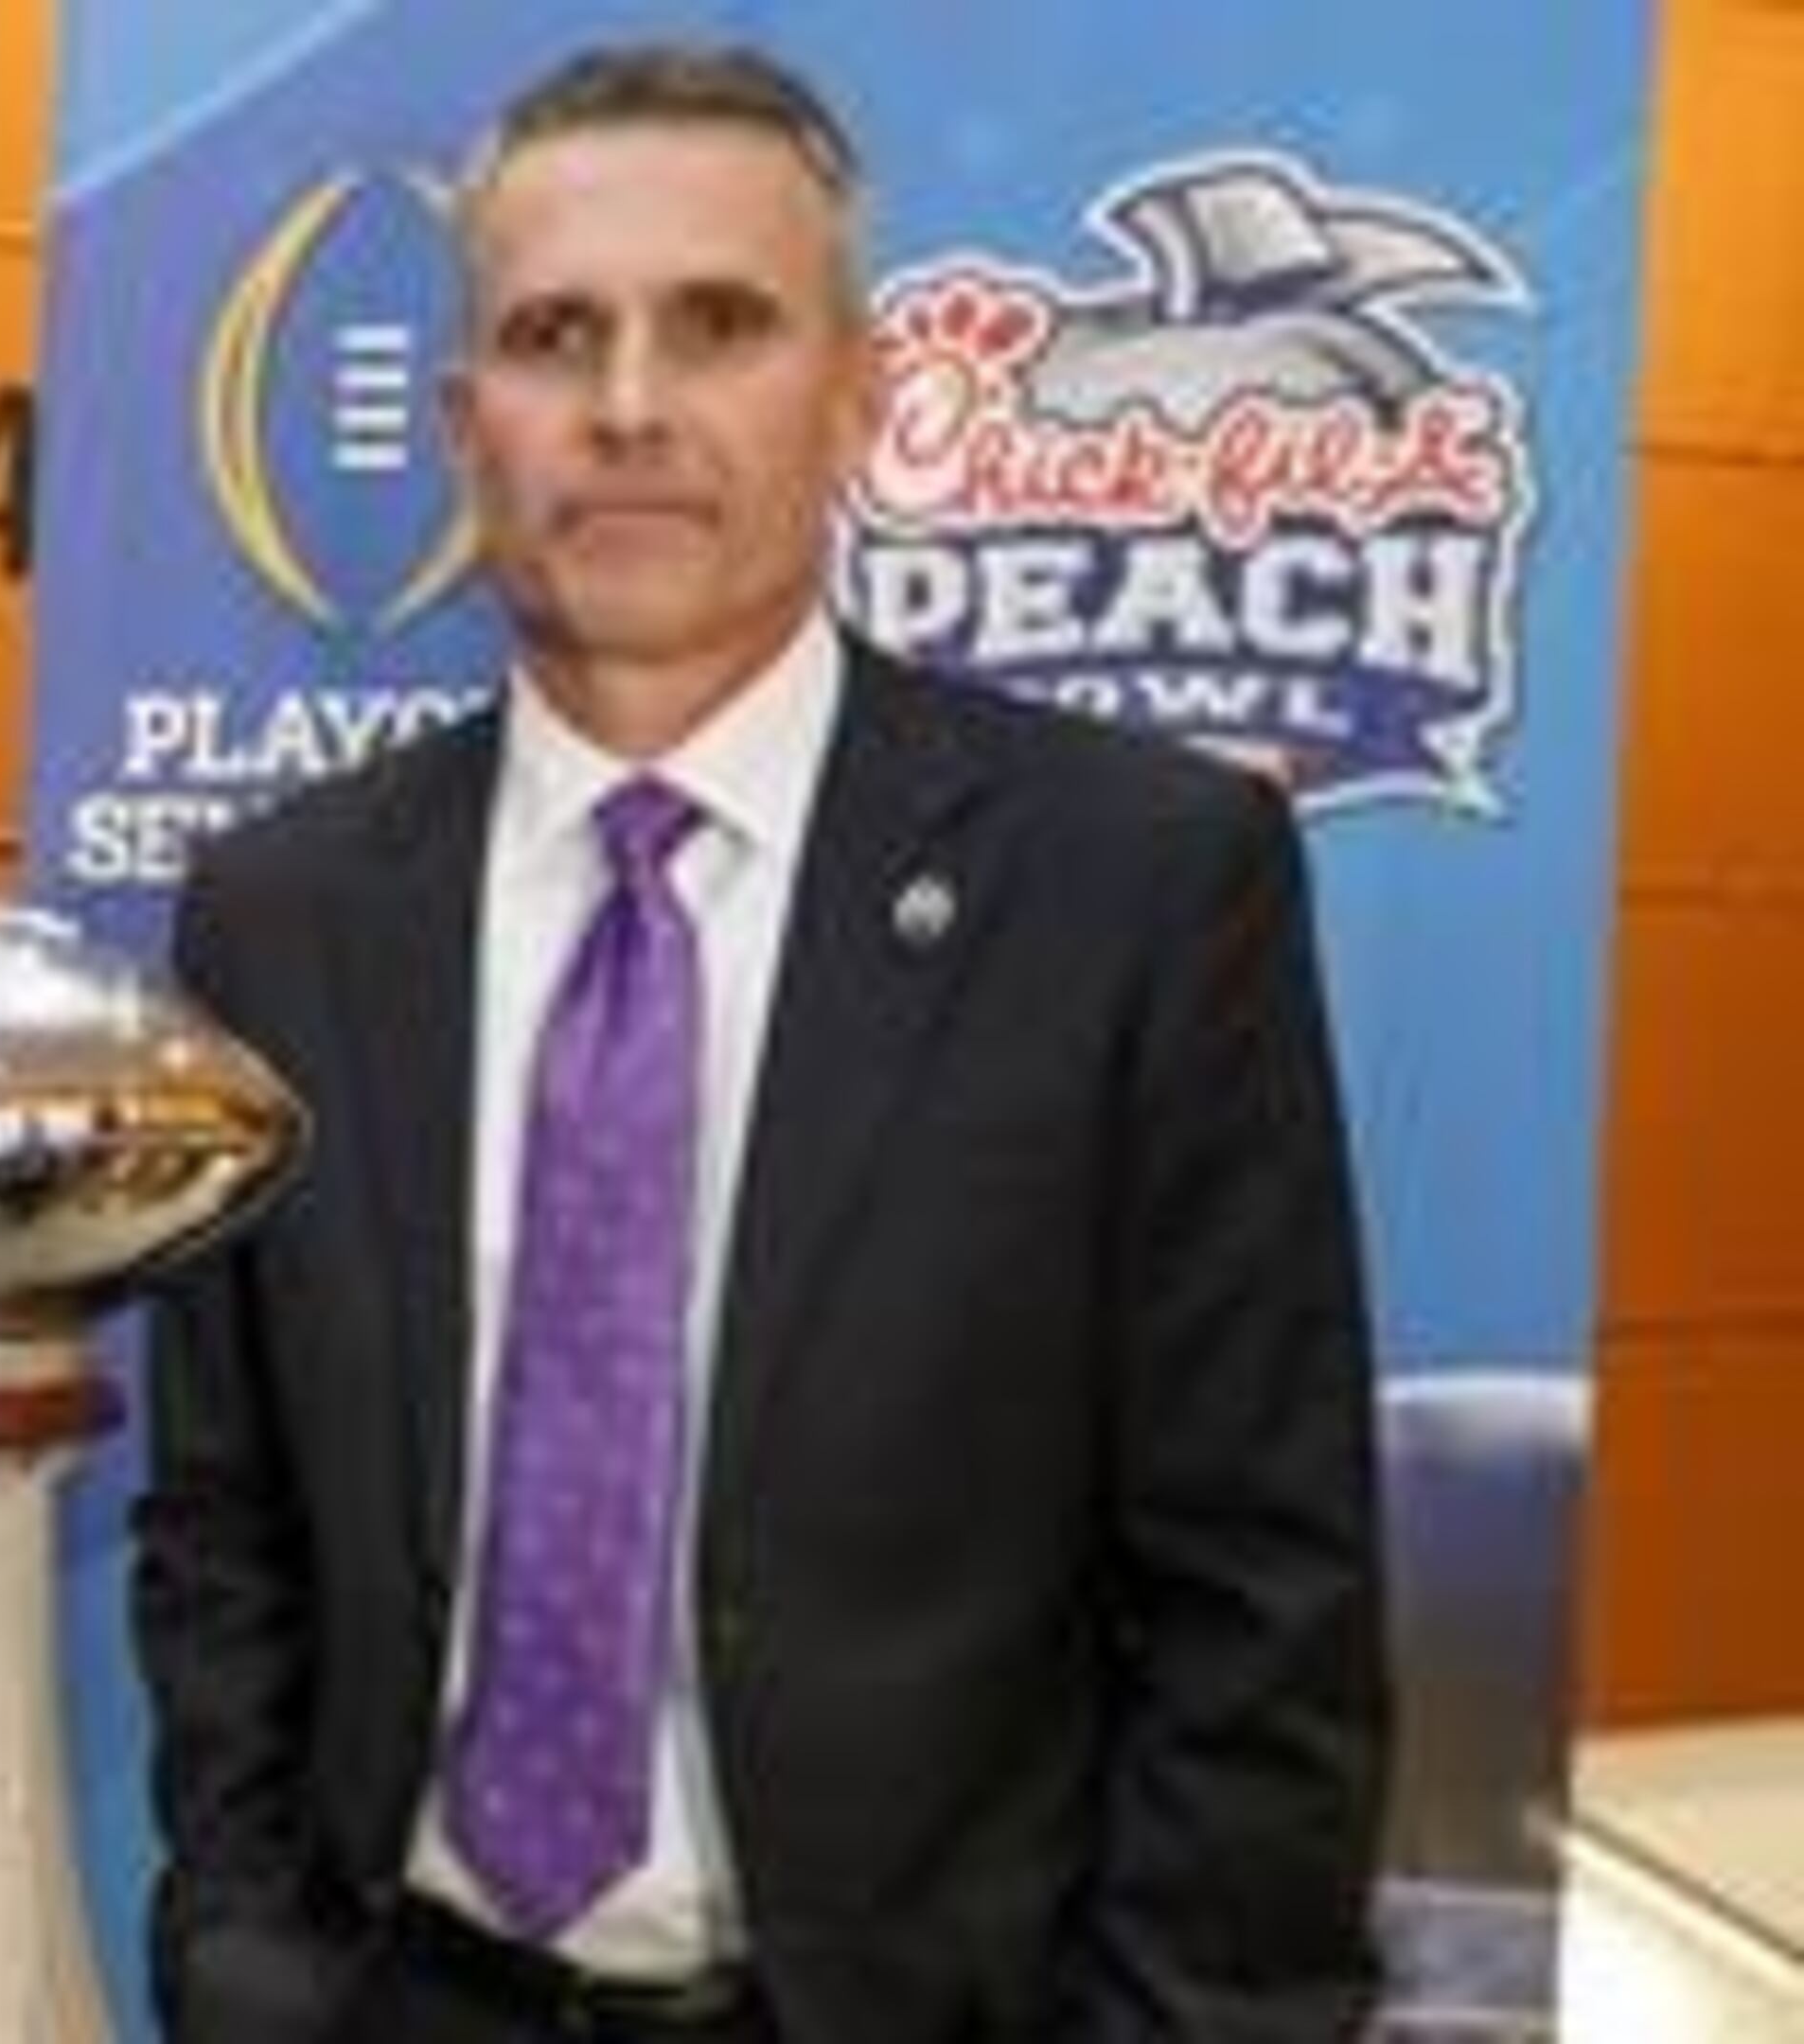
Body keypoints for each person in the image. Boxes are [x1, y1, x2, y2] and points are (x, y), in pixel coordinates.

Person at [137, 42, 1386, 2043]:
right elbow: (225, 1525)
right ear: (467, 429)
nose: (627, 408)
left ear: (861, 395)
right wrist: (246, 1961)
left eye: (718, 326)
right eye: (556, 336)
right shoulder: (282, 915)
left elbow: (1264, 1615)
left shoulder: (1144, 890)